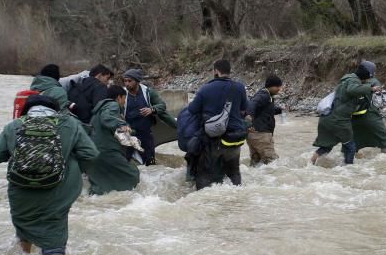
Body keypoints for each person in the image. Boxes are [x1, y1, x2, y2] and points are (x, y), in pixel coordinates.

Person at [0, 95, 98, 255]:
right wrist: (68, 159)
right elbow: (91, 153)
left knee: (24, 228)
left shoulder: (14, 126)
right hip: (58, 190)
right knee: (54, 239)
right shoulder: (70, 124)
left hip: (21, 191)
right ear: (55, 110)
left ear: (26, 109)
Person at [186, 59, 249, 188]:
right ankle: (237, 200)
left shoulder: (206, 89)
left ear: (215, 71)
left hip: (213, 139)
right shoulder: (239, 87)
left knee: (205, 175)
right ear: (229, 71)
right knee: (234, 173)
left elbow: (192, 110)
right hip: (234, 139)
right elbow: (244, 110)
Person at [311, 64, 377, 165]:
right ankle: (348, 170)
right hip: (338, 121)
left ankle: (310, 164)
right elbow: (352, 89)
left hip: (327, 118)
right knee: (350, 147)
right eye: (370, 77)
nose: (368, 80)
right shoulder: (353, 81)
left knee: (326, 146)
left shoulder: (346, 80)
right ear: (366, 74)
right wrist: (371, 89)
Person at [86, 85, 140, 195]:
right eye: (124, 98)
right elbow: (106, 118)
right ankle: (132, 198)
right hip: (106, 150)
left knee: (99, 182)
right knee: (132, 174)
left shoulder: (99, 109)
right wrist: (122, 124)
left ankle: (98, 203)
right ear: (119, 97)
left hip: (93, 150)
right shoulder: (113, 105)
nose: (124, 101)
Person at [121, 69, 177, 165]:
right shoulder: (122, 95)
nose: (127, 84)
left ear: (137, 81)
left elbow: (162, 105)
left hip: (146, 132)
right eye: (125, 81)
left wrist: (152, 109)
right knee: (126, 161)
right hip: (129, 133)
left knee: (150, 161)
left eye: (130, 81)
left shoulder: (148, 92)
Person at [352, 61, 386, 156]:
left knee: (355, 140)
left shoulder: (353, 80)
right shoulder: (374, 82)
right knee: (385, 138)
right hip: (370, 115)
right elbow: (379, 102)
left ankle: (351, 161)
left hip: (353, 117)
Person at [246, 75, 283, 166]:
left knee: (257, 164)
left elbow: (265, 111)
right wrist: (248, 117)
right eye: (277, 86)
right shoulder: (264, 95)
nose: (279, 89)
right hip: (261, 135)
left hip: (254, 135)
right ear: (270, 86)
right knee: (273, 164)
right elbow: (252, 104)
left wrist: (279, 110)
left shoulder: (266, 95)